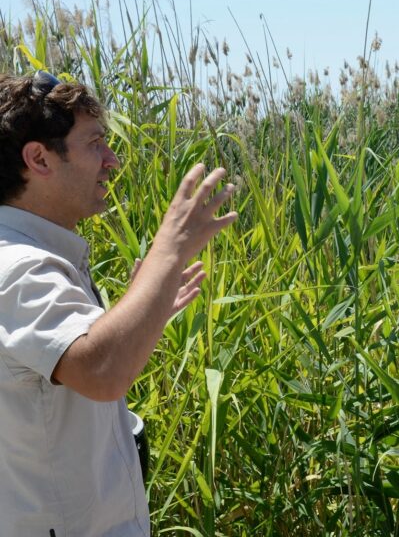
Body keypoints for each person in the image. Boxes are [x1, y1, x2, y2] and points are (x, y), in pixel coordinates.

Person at [0, 71, 237, 536]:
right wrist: (168, 251)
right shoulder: (19, 269)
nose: (112, 160)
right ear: (39, 159)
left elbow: (73, 370)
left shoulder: (39, 258)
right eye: (94, 144)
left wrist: (140, 311)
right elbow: (102, 372)